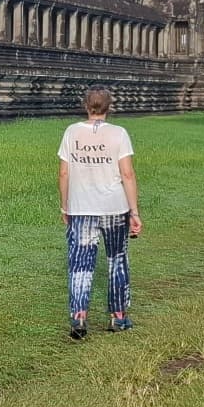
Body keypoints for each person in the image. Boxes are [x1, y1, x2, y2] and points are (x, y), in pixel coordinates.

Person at [57, 86, 141, 340]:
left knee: (80, 265)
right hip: (115, 207)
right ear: (109, 107)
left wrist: (65, 206)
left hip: (81, 208)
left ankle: (79, 317)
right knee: (117, 260)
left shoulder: (72, 132)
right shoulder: (119, 133)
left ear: (86, 106)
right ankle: (118, 317)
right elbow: (127, 173)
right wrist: (134, 211)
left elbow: (64, 172)